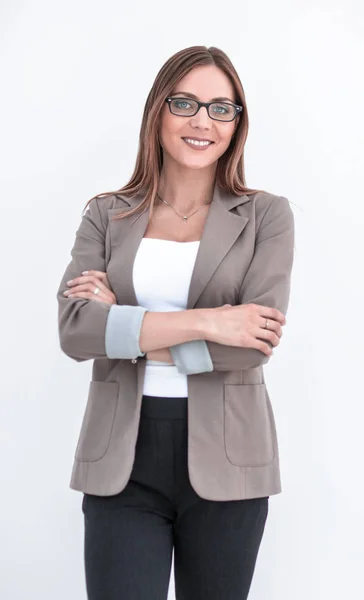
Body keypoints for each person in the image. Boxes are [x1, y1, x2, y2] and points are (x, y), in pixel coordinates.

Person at [56, 45, 295, 600]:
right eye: (184, 102)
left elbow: (251, 345)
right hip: (122, 457)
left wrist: (124, 331)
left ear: (237, 124)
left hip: (230, 457)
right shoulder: (107, 213)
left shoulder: (266, 216)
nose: (201, 122)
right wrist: (213, 321)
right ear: (157, 111)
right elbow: (75, 331)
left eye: (221, 108)